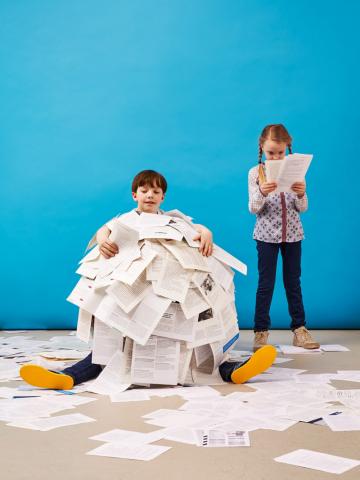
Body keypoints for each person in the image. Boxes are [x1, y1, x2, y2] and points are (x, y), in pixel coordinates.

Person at [20, 170, 276, 390]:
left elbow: (197, 228)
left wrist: (206, 232)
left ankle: (230, 369)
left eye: (155, 191)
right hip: (135, 289)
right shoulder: (125, 219)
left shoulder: (172, 219)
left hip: (172, 292)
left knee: (198, 337)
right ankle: (68, 377)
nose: (150, 195)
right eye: (144, 191)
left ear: (163, 197)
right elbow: (105, 229)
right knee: (109, 348)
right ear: (135, 195)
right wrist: (102, 239)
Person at [249, 125, 320, 352]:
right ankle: (260, 333)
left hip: (293, 235)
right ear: (262, 148)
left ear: (287, 148)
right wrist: (262, 191)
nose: (276, 157)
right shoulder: (255, 173)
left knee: (293, 282)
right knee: (266, 284)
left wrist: (300, 193)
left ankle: (299, 330)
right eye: (271, 153)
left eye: (280, 152)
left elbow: (303, 207)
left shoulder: (296, 172)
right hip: (266, 237)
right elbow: (253, 208)